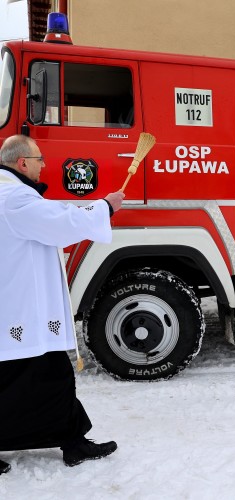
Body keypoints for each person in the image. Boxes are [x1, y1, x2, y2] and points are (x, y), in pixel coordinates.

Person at [0, 135, 125, 474]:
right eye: (39, 158)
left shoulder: (8, 192)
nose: (44, 165)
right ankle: (73, 442)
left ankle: (72, 440)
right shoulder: (13, 197)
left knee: (37, 374)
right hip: (22, 310)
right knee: (47, 373)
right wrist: (105, 207)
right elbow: (60, 221)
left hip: (15, 305)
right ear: (22, 162)